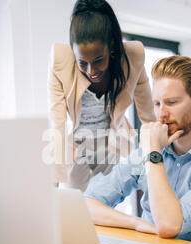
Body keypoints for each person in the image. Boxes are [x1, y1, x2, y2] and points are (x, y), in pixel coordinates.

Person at [84, 55, 191, 244]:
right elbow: (87, 204)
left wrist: (153, 155)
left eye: (172, 102)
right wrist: (136, 223)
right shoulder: (151, 150)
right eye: (157, 103)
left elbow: (169, 225)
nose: (161, 115)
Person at [47, 0, 155, 191]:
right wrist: (53, 185)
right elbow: (57, 122)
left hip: (109, 142)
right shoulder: (59, 60)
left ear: (111, 47)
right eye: (83, 63)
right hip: (76, 144)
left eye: (98, 60)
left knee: (104, 203)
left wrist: (158, 159)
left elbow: (148, 117)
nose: (92, 70)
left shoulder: (132, 57)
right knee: (76, 204)